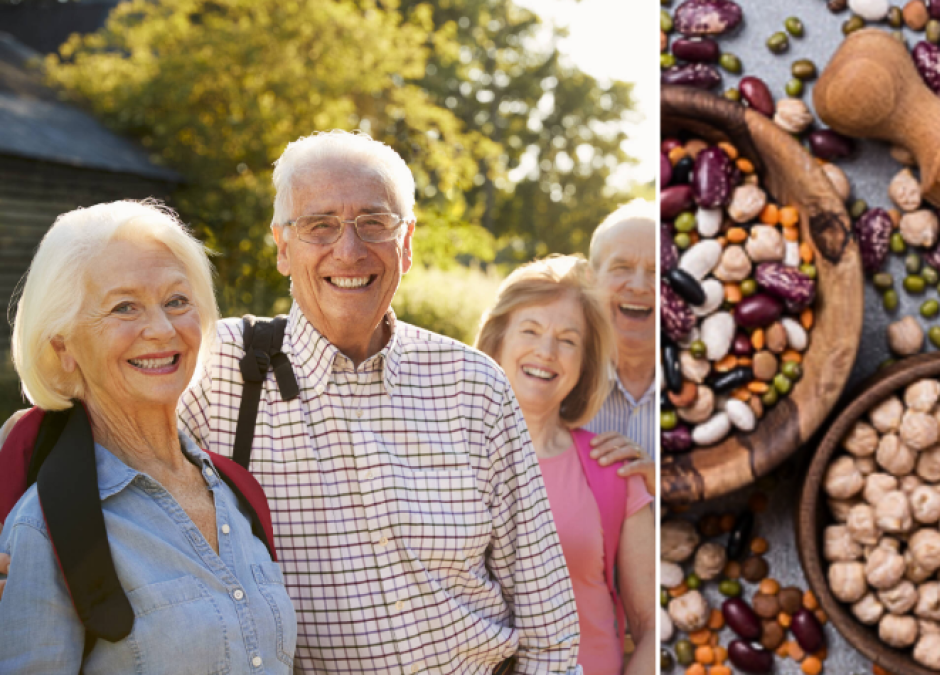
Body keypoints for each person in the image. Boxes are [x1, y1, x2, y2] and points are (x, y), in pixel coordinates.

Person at [172, 130, 581, 673]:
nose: (348, 249)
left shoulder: (473, 385)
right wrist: (25, 552)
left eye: (374, 223)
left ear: (406, 243)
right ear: (283, 247)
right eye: (320, 225)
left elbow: (546, 616)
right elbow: (88, 420)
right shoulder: (213, 368)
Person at [0, 201, 295, 673]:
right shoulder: (44, 526)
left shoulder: (239, 496)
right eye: (124, 307)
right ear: (64, 347)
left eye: (177, 301)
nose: (161, 330)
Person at [475, 256, 656, 675]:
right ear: (498, 340)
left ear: (584, 363)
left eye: (568, 340)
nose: (547, 351)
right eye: (531, 331)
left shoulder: (613, 470)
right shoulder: (441, 457)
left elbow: (651, 624)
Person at [584, 201, 657, 461]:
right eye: (622, 267)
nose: (638, 286)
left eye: (656, 271)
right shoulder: (559, 382)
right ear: (591, 280)